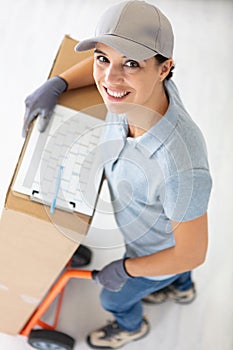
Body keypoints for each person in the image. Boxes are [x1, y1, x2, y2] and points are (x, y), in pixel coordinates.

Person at [22, 1, 212, 348]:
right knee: (174, 274)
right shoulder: (134, 96)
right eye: (102, 59)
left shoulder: (181, 168)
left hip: (158, 250)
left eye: (131, 64)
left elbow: (191, 253)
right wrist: (59, 83)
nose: (109, 80)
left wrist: (127, 270)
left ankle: (131, 325)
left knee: (114, 298)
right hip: (148, 227)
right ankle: (181, 289)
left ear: (164, 68)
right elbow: (107, 71)